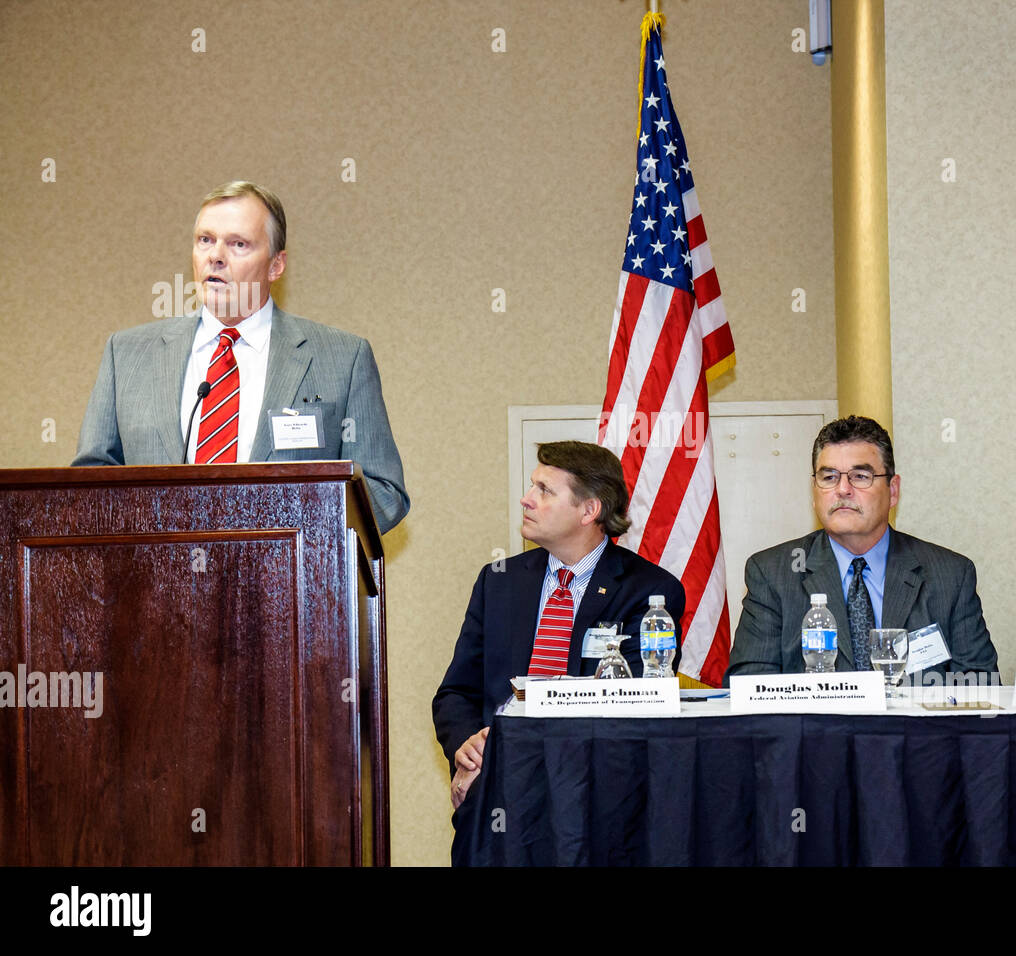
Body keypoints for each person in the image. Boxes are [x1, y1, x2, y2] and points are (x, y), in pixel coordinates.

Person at [72, 181, 409, 534]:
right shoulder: (127, 355)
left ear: (276, 265)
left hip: (285, 581)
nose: (215, 256)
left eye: (238, 244)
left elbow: (384, 493)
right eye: (205, 240)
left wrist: (291, 535)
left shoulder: (343, 358)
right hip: (155, 581)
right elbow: (87, 485)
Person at [432, 440, 686, 814]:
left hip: (596, 798)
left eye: (544, 490)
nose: (526, 499)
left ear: (589, 510)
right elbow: (456, 693)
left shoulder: (649, 591)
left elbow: (633, 708)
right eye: (532, 486)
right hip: (497, 791)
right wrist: (468, 750)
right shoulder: (499, 581)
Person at [725, 415, 999, 684]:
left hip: (916, 729)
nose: (843, 489)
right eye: (829, 477)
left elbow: (979, 687)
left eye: (860, 476)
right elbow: (748, 690)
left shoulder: (950, 575)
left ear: (893, 491)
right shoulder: (773, 574)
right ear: (814, 490)